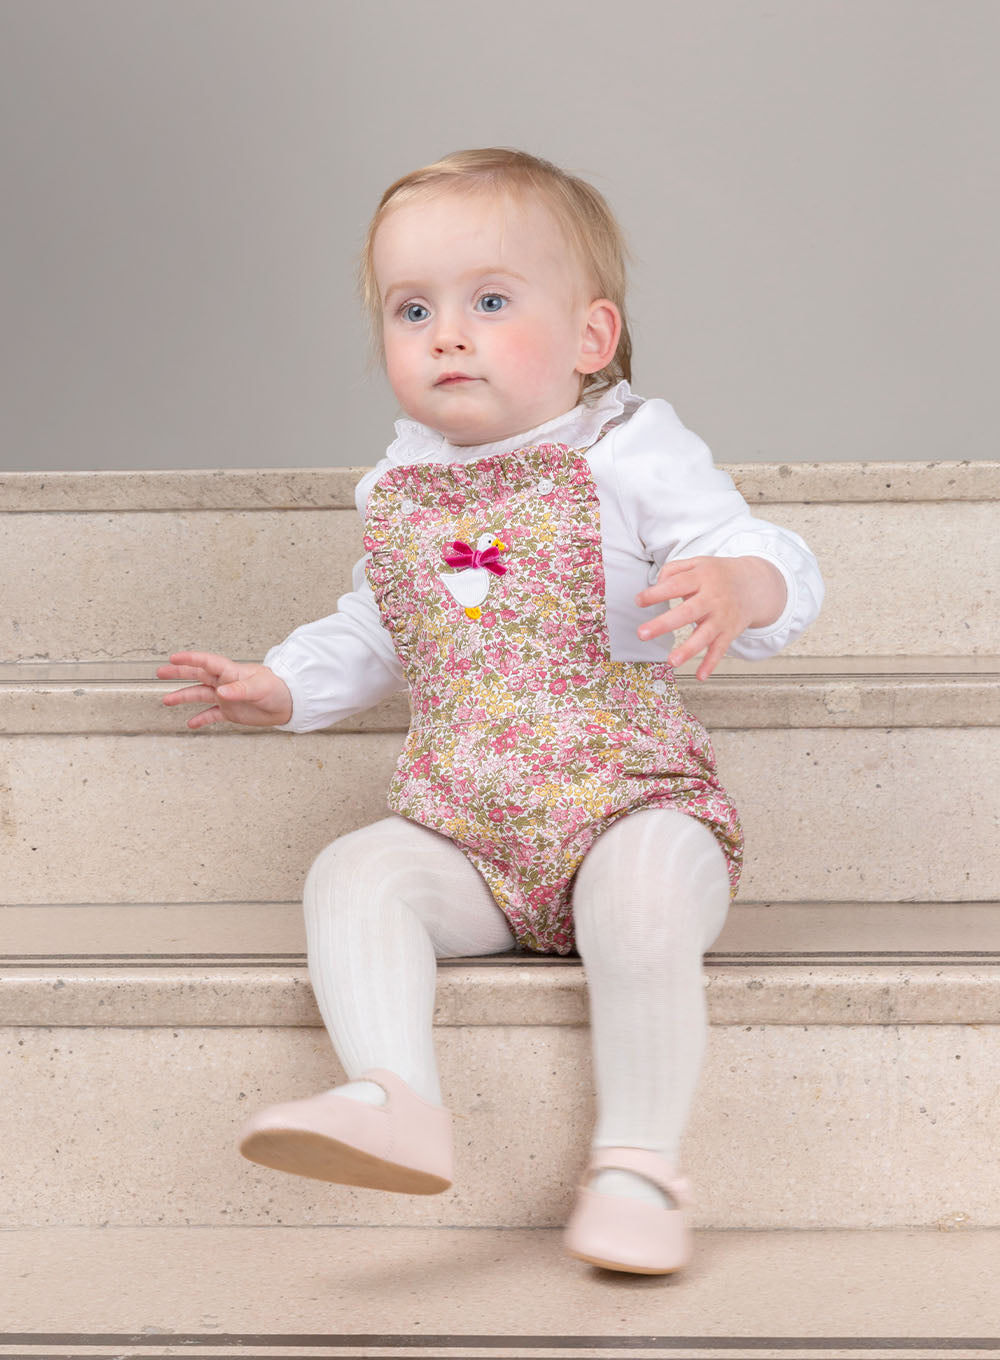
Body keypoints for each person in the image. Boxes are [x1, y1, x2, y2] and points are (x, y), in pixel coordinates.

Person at [157, 148, 823, 1275]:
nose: (447, 336)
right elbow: (377, 627)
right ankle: (393, 1097)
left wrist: (737, 585)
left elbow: (758, 550)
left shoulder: (627, 452)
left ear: (590, 338)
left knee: (642, 901)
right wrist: (285, 685)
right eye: (412, 309)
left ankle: (636, 1165)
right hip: (472, 831)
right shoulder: (401, 488)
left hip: (630, 805)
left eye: (492, 302)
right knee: (352, 873)